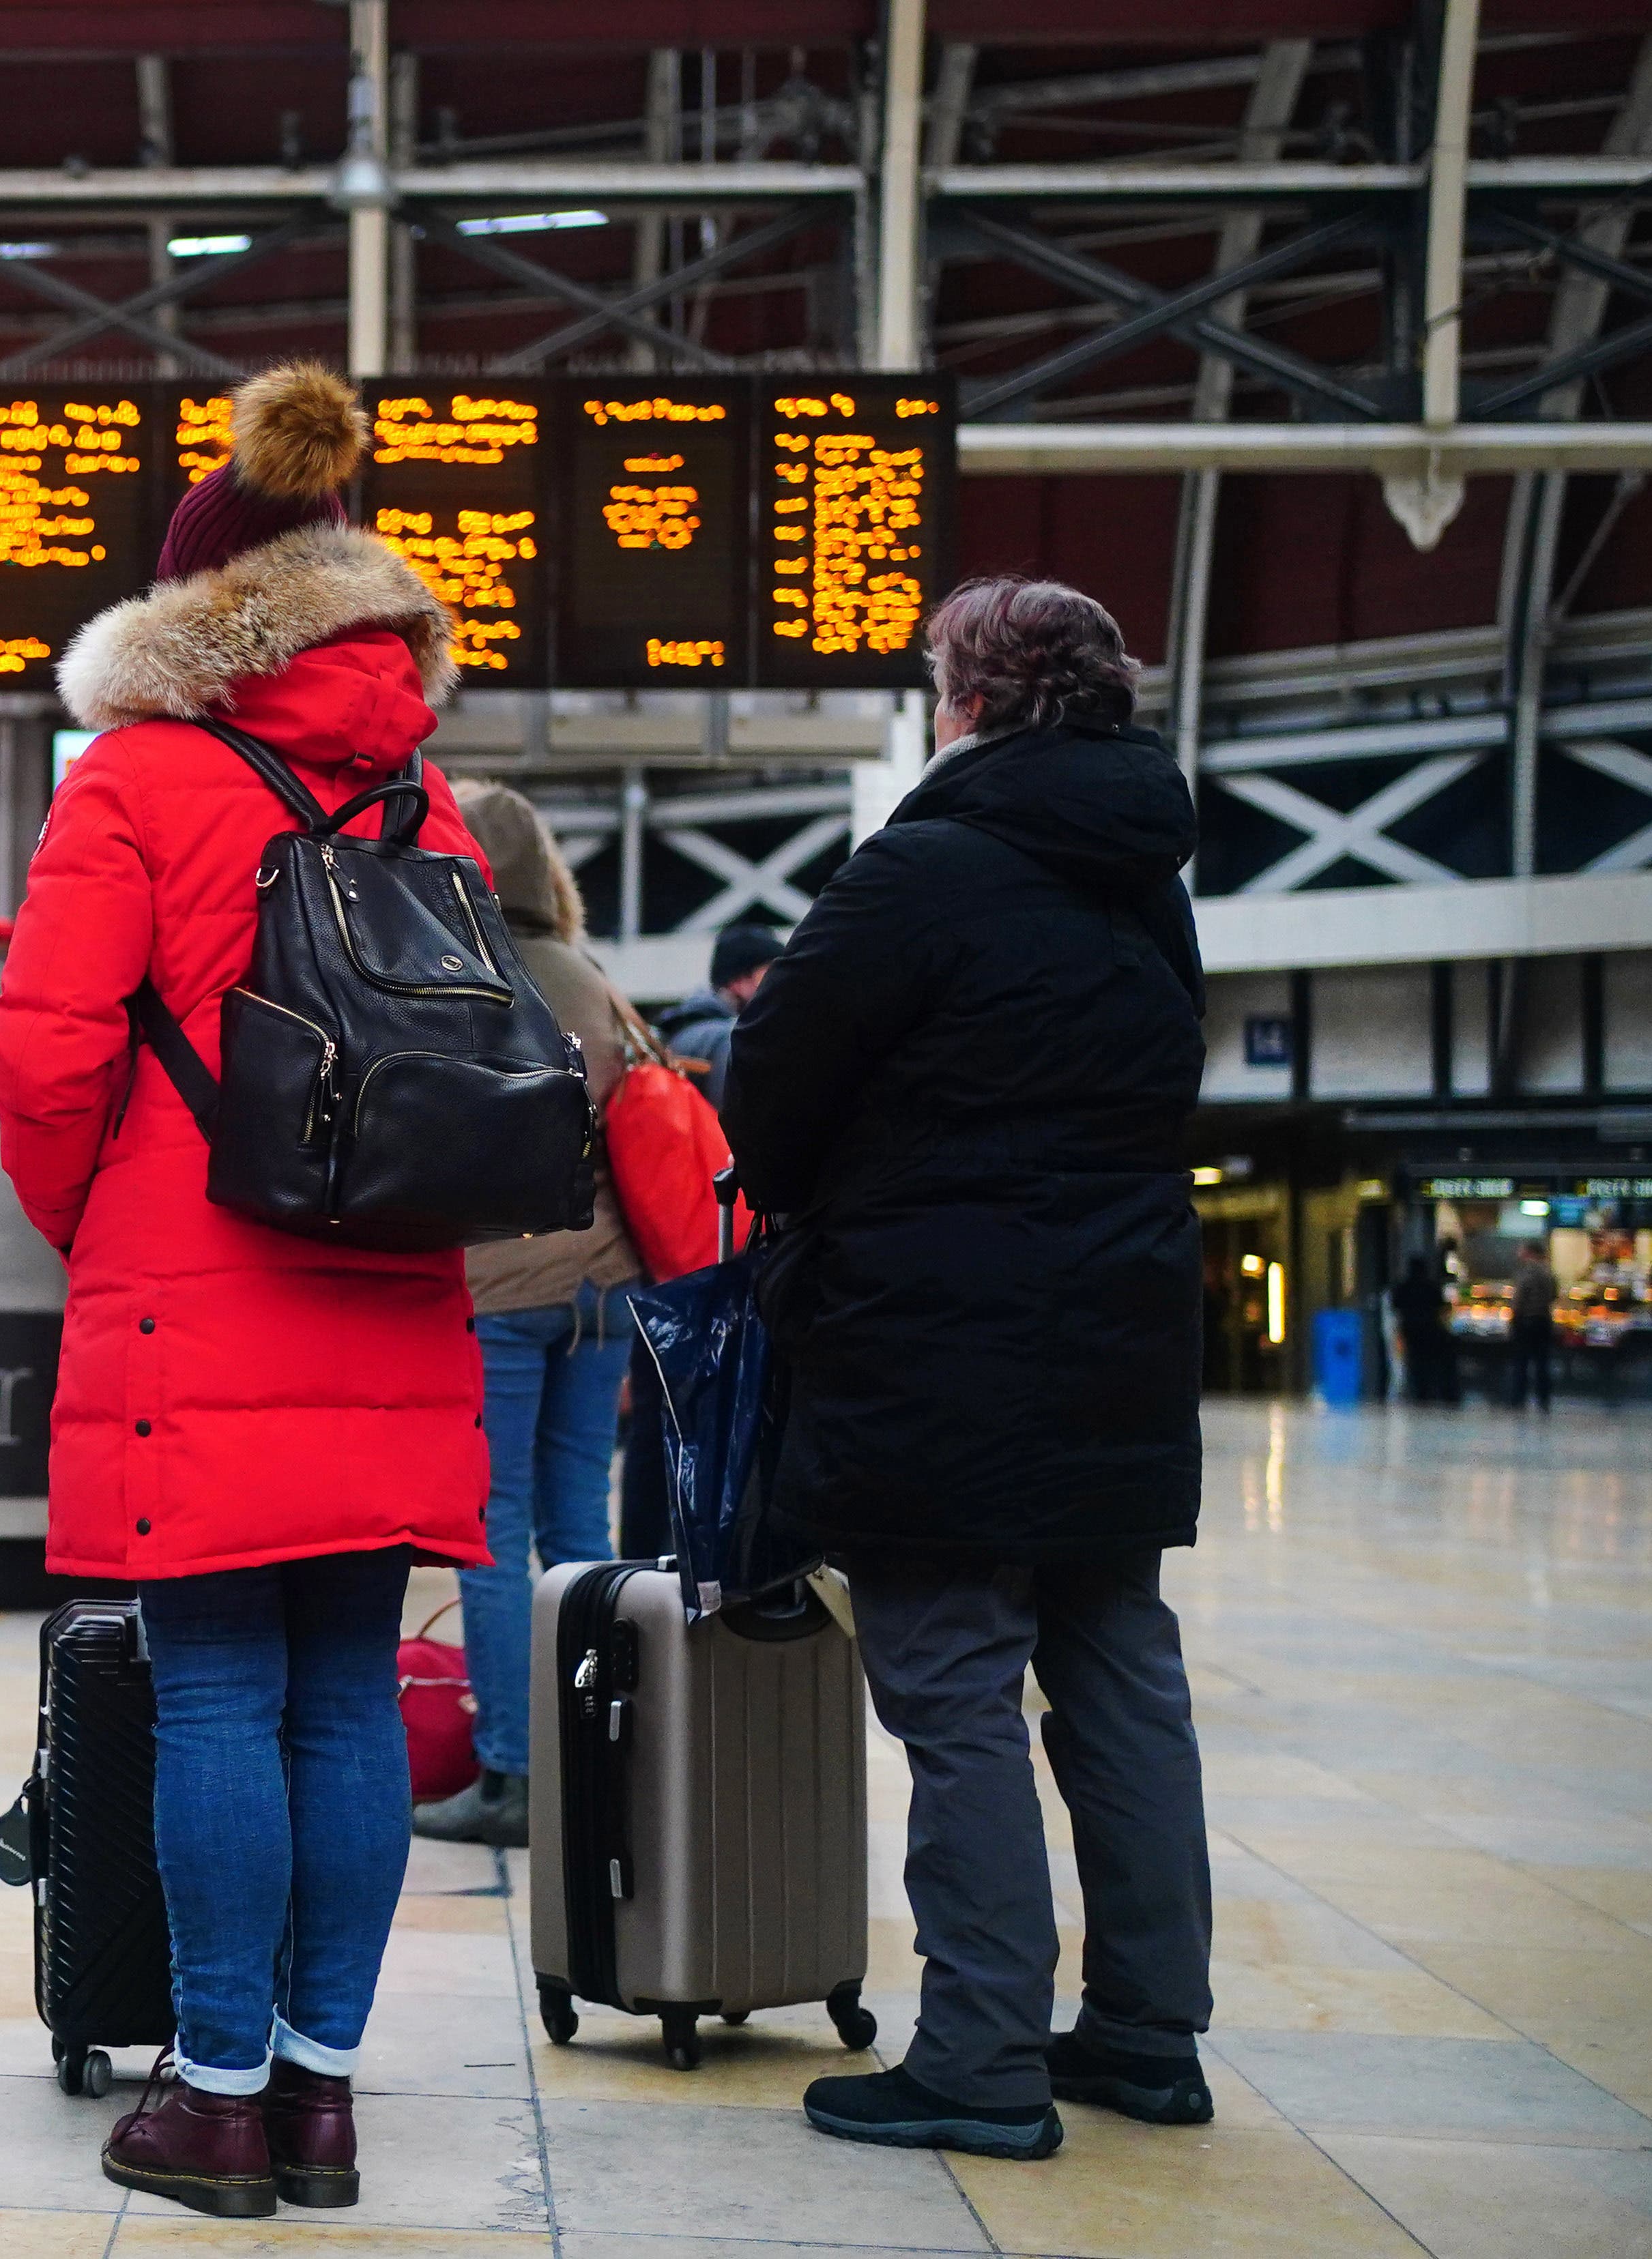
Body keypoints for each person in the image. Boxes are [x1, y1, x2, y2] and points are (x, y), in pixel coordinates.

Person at [0, 362, 489, 2220]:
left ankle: (208, 2096)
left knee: (208, 1684)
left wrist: (97, 1219)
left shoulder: (132, 777)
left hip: (184, 1285)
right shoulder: (421, 805)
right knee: (345, 1689)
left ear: (180, 616)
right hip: (387, 1278)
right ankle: (319, 2090)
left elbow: (46, 1053)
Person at [724, 577, 1213, 2164]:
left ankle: (983, 2055)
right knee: (1118, 1671)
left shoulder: (922, 867)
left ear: (973, 705)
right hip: (1121, 1334)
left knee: (953, 1687)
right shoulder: (1150, 882)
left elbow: (769, 1089)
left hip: (934, 1338)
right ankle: (1145, 2034)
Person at [410, 782, 640, 1851]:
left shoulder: (460, 977)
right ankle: (592, 1762)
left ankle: (509, 1772)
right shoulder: (590, 980)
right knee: (578, 1529)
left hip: (502, 1288)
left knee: (491, 1531)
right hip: (605, 1288)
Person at [650, 921, 781, 1107]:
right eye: (769, 974)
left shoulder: (680, 1029)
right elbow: (733, 1120)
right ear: (739, 980)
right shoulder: (731, 1037)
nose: (778, 985)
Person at [1391, 1251, 1458, 1405]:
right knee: (1430, 1362)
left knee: (1414, 1361)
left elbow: (1395, 1305)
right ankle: (1429, 1391)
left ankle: (1418, 1392)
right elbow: (1442, 1306)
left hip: (1410, 1329)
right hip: (1430, 1329)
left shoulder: (1403, 1287)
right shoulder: (1431, 1287)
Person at [1507, 1245, 1559, 1411]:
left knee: (1521, 1363)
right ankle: (1544, 1400)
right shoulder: (1548, 1273)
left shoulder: (1527, 1273)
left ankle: (1518, 1399)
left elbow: (1519, 1298)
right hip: (1544, 1320)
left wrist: (1513, 1318)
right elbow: (1554, 1296)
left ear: (1530, 1253)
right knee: (1542, 1363)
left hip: (1526, 1322)